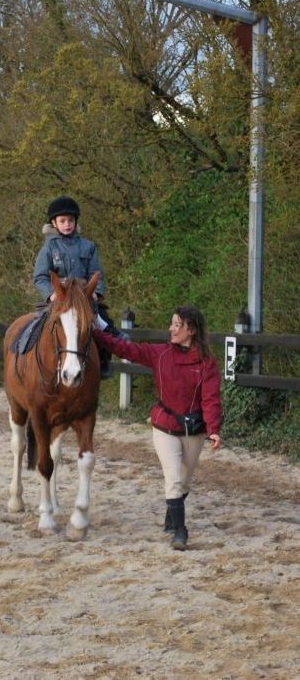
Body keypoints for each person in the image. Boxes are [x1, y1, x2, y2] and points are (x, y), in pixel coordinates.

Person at [94, 306, 222, 551]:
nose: (171, 329)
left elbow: (211, 399)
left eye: (177, 325)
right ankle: (181, 532)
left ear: (191, 330)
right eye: (171, 323)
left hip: (194, 430)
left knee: (184, 483)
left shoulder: (207, 363)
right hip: (164, 426)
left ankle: (171, 516)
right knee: (173, 479)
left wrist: (213, 428)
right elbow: (127, 349)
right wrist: (98, 334)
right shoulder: (160, 353)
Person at [33, 195, 126, 377]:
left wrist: (95, 293)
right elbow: (40, 277)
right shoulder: (48, 248)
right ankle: (32, 359)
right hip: (59, 299)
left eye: (70, 220)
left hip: (83, 298)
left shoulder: (88, 246)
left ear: (75, 222)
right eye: (63, 221)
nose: (67, 224)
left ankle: (104, 362)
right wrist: (50, 294)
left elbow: (96, 273)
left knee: (102, 323)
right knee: (36, 326)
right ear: (54, 223)